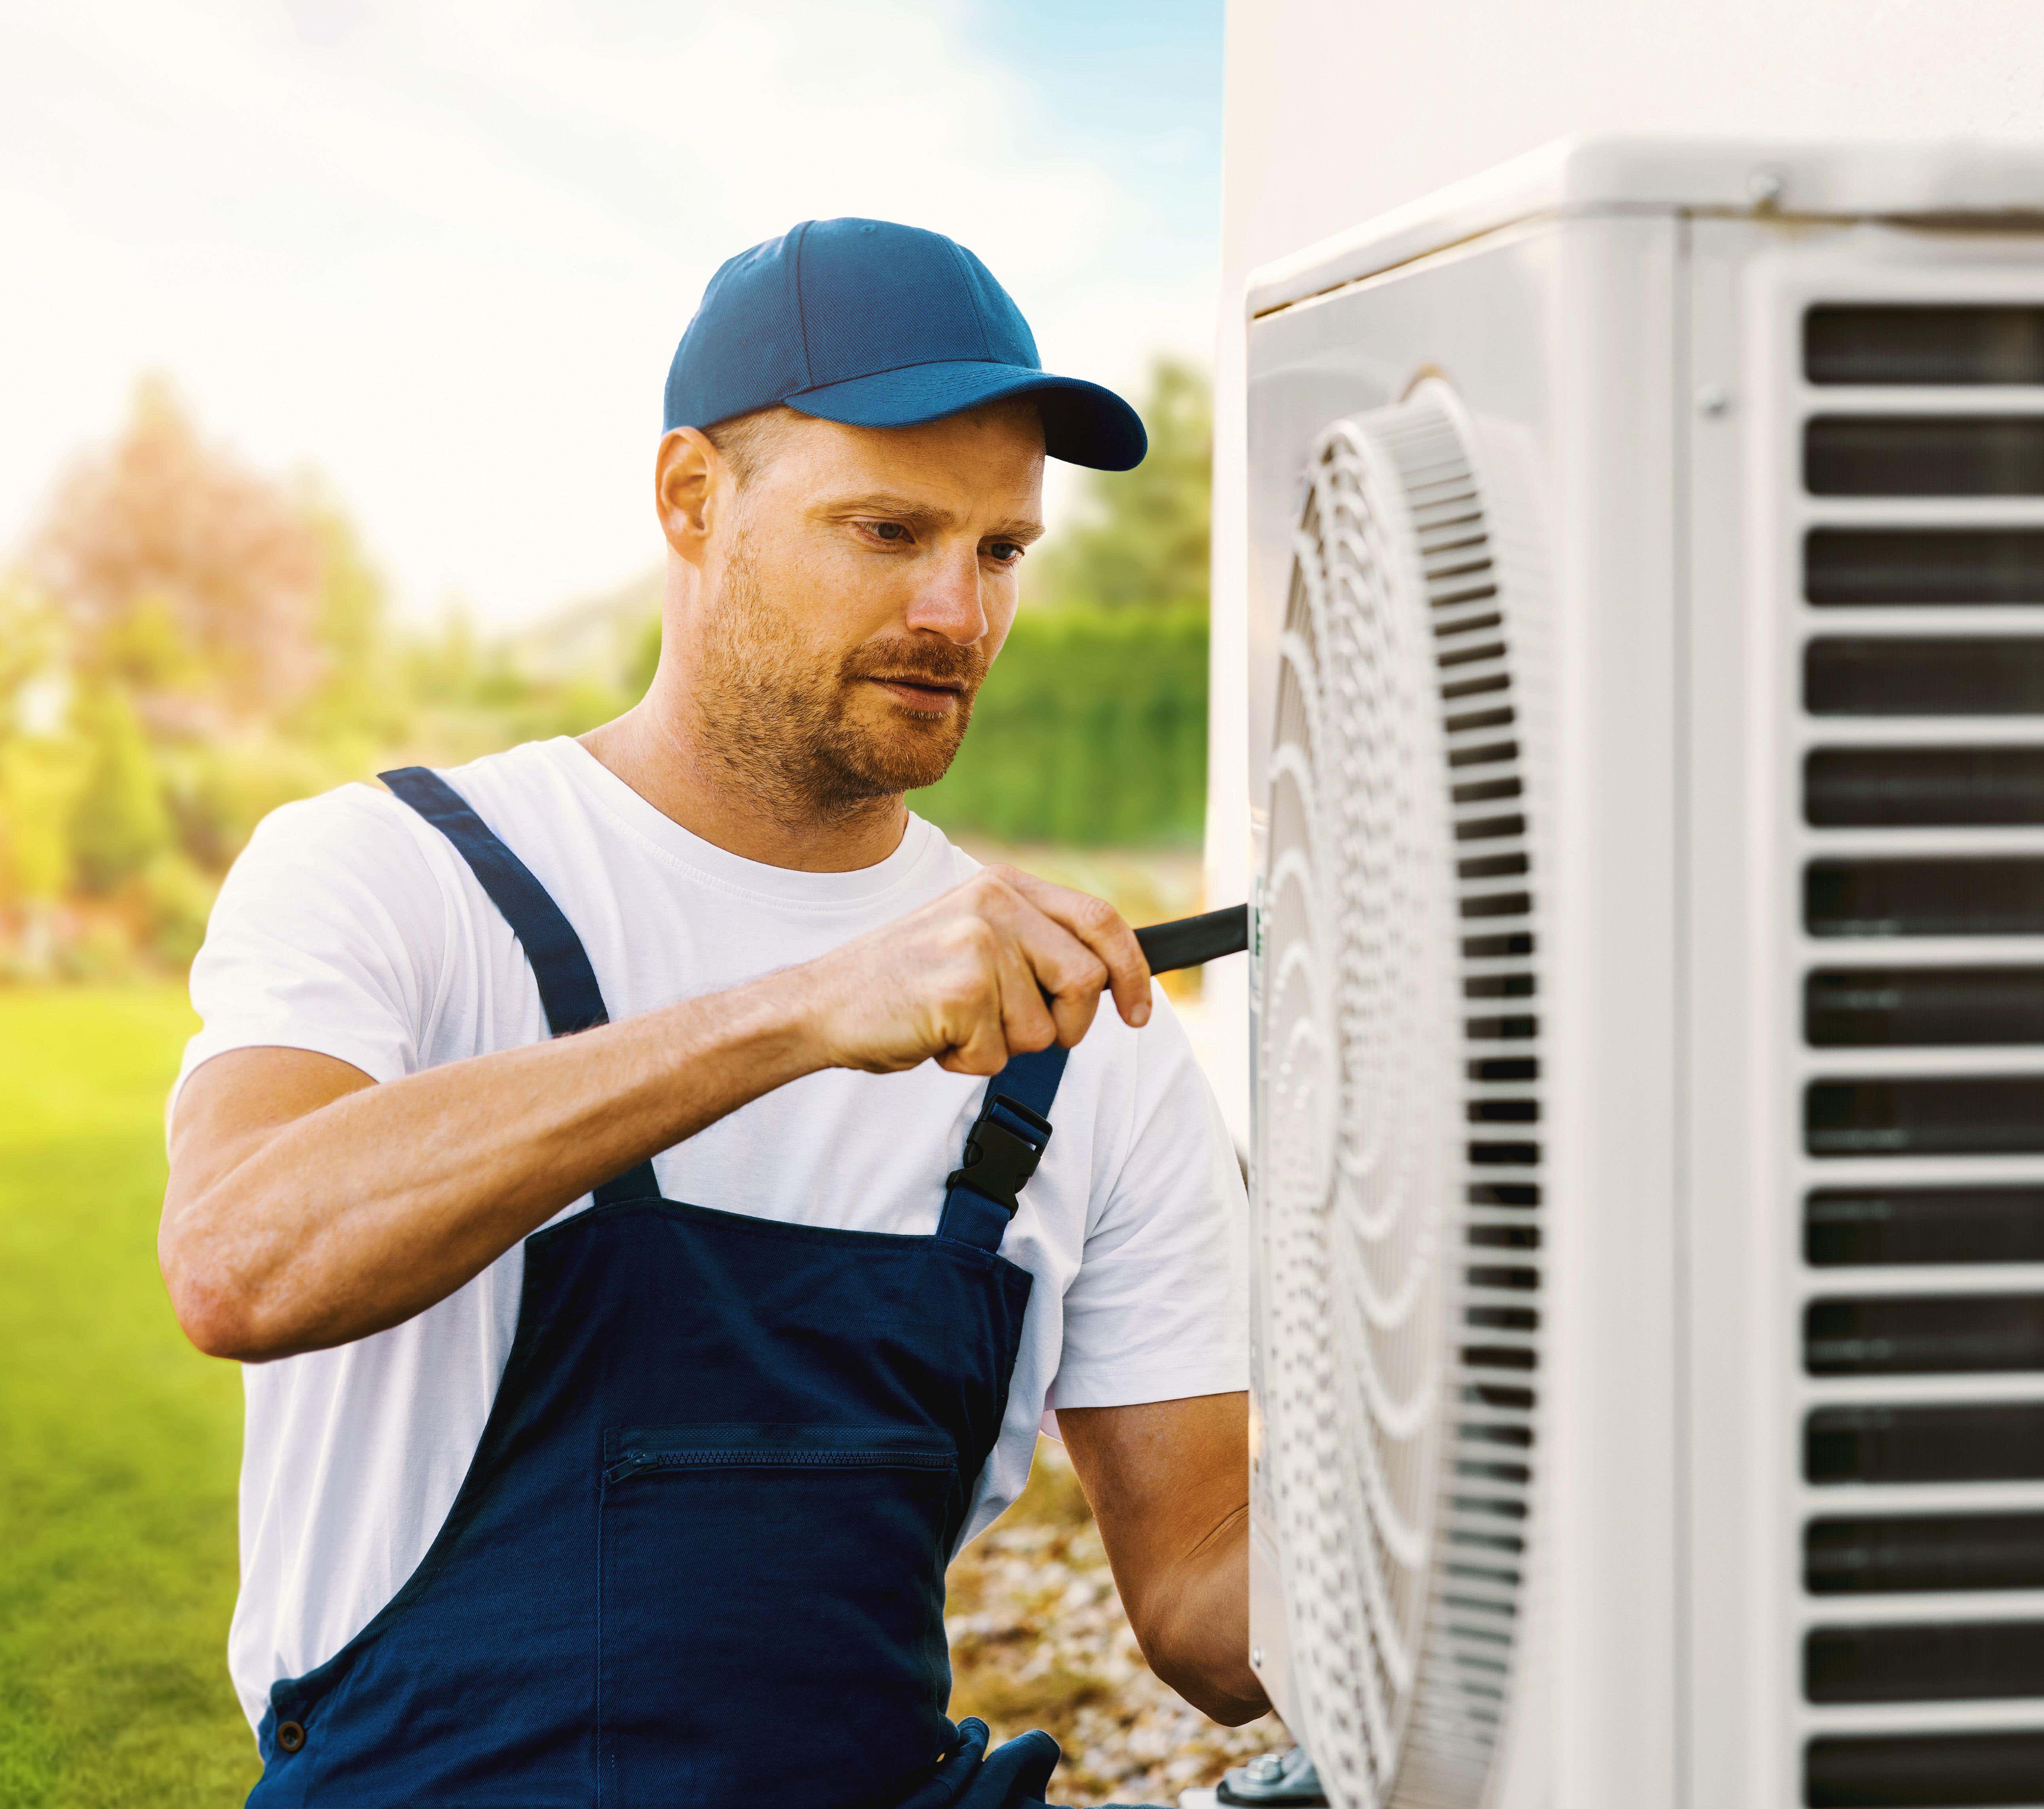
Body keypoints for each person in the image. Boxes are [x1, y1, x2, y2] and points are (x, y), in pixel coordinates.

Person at [158, 218, 1266, 1808]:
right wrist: (804, 1010)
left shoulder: (1082, 1027)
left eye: (1001, 550)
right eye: (886, 532)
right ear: (692, 499)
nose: (959, 616)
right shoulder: (395, 875)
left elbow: (1209, 1620)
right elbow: (236, 1258)